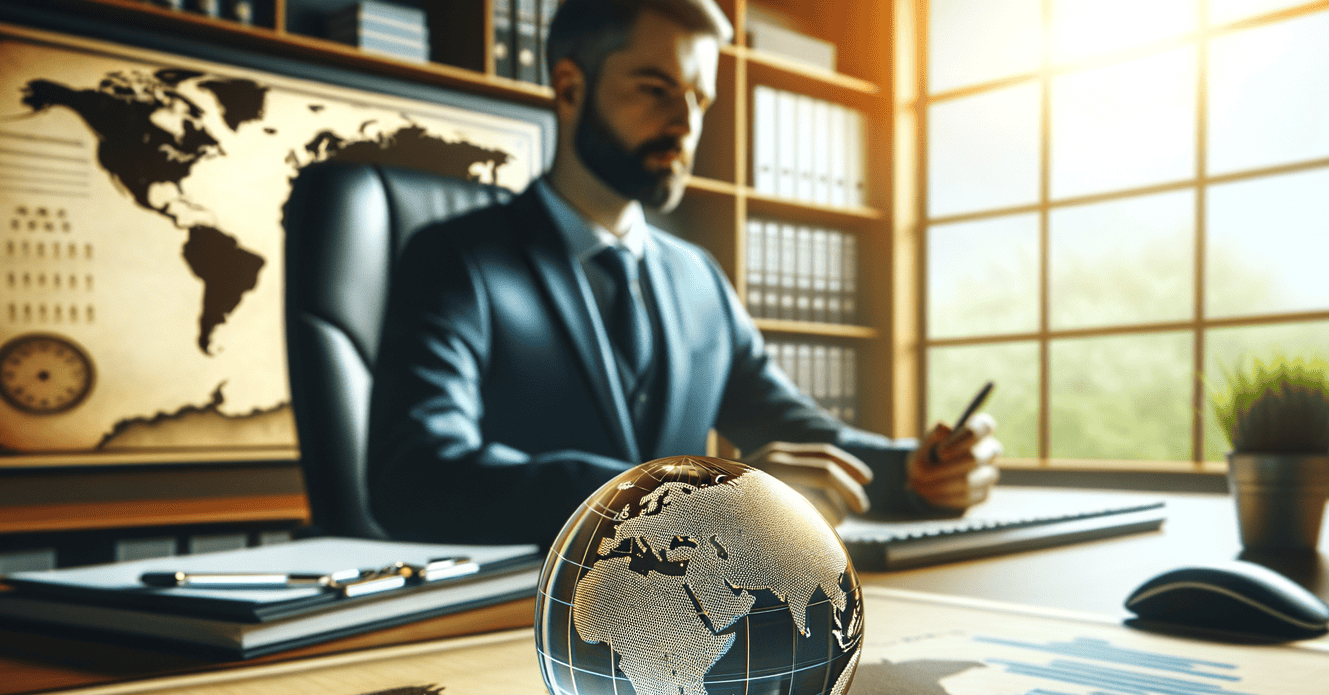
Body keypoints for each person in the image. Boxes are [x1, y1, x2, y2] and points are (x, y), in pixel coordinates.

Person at [367, 0, 999, 545]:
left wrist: (916, 473)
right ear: (569, 88)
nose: (686, 123)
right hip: (522, 620)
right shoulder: (454, 259)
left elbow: (796, 431)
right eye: (655, 88)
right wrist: (694, 496)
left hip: (681, 633)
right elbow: (419, 475)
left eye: (699, 98)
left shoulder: (699, 279)